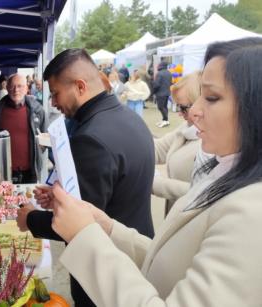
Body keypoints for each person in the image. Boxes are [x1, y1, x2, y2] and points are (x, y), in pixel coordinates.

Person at [48, 37, 262, 307]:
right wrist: (108, 228)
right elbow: (169, 261)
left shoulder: (252, 212)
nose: (194, 111)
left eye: (211, 97)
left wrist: (84, 237)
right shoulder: (223, 173)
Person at [18, 49, 155, 306]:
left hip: (108, 265)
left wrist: (30, 218)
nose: (54, 103)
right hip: (137, 248)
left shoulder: (91, 138)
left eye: (56, 93)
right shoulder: (129, 118)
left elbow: (80, 222)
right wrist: (61, 196)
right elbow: (111, 188)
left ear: (80, 86)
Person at [153, 71, 204, 213]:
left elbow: (203, 194)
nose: (179, 113)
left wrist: (154, 183)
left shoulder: (212, 142)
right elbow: (158, 148)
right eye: (177, 106)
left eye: (183, 108)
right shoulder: (187, 128)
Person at [0, 74, 47, 184]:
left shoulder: (38, 110)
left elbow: (45, 138)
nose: (16, 90)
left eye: (20, 86)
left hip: (30, 172)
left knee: (29, 201)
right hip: (3, 173)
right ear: (7, 88)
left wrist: (37, 150)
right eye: (12, 86)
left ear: (26, 89)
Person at [153, 61, 173, 128]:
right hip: (167, 92)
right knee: (164, 107)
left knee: (161, 107)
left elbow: (156, 85)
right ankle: (165, 120)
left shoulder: (159, 73)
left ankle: (165, 120)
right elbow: (170, 83)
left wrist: (153, 91)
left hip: (160, 93)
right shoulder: (169, 73)